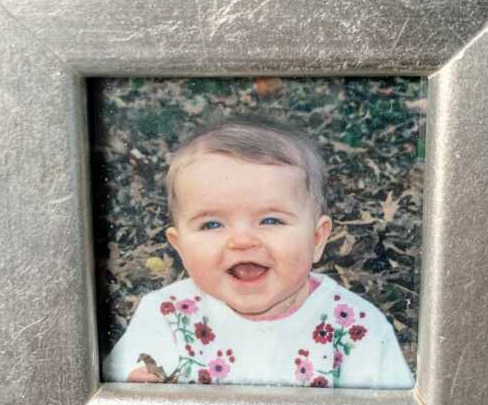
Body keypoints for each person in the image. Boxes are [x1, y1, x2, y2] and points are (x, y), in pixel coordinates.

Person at [101, 117, 414, 389]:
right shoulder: (167, 316)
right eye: (212, 224)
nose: (242, 240)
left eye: (270, 220)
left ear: (317, 239)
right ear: (180, 246)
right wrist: (134, 391)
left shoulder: (356, 327)